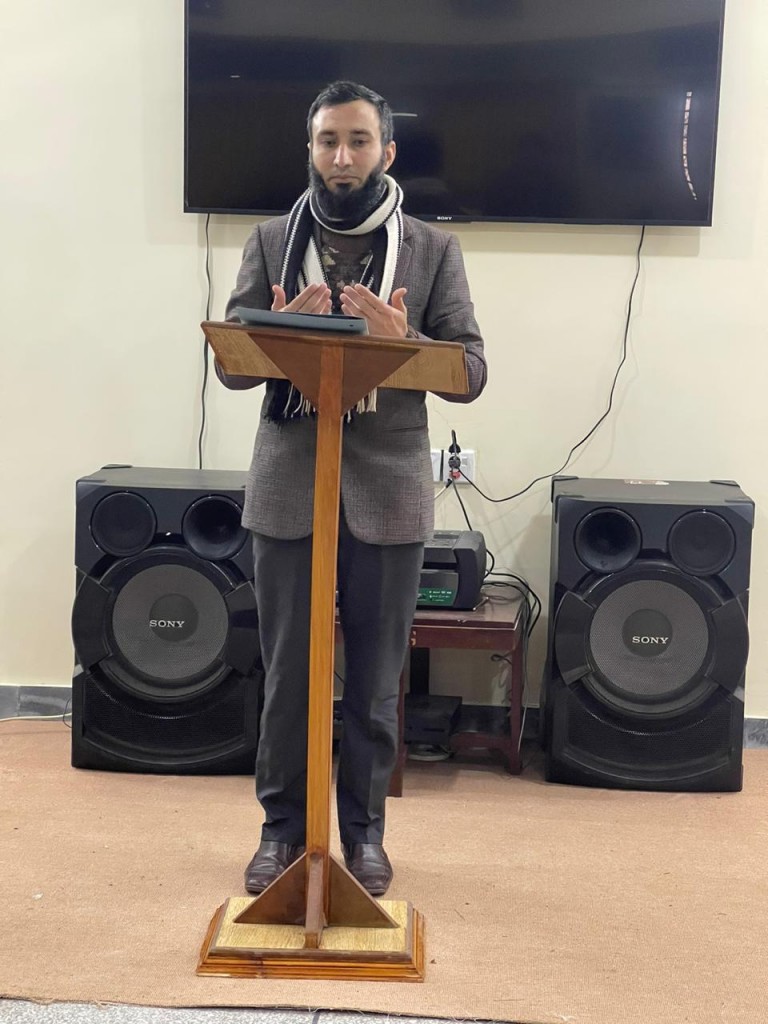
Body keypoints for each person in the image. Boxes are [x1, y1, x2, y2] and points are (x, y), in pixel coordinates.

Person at [216, 81, 487, 897]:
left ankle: (364, 837)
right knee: (288, 677)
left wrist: (407, 342)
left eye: (358, 141)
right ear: (311, 149)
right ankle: (281, 833)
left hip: (388, 490)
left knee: (373, 685)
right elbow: (231, 366)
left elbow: (471, 373)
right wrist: (273, 333)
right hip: (288, 484)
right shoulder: (270, 241)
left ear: (387, 151)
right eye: (328, 140)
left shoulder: (432, 250)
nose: (342, 156)